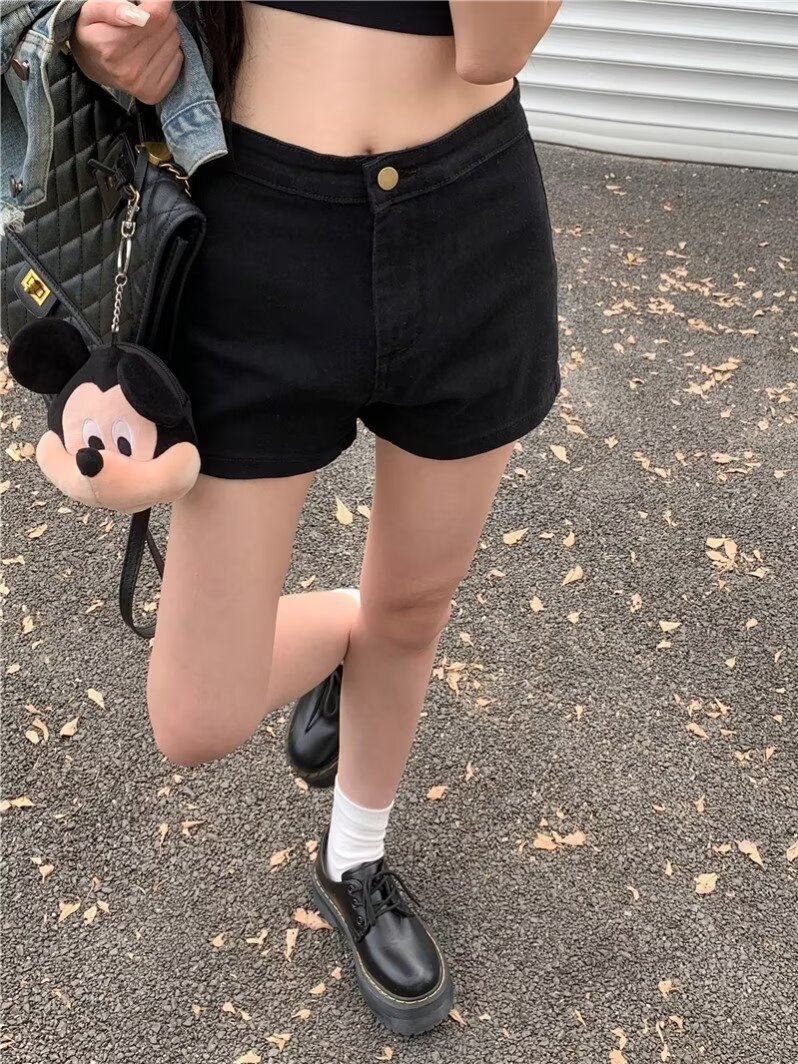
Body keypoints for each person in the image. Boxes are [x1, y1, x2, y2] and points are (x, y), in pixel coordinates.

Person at [25, 0, 562, 1035]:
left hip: (466, 220)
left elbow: (496, 47)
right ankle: (357, 640)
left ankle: (355, 854)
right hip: (256, 217)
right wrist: (92, 29)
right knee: (197, 717)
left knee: (414, 603)